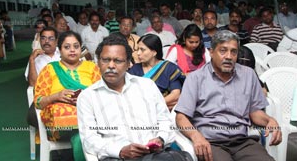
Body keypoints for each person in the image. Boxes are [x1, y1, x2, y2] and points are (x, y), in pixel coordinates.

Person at [175, 30, 282, 161]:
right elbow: (181, 117)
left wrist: (270, 120)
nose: (229, 56)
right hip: (210, 142)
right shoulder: (195, 78)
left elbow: (255, 112)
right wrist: (195, 136)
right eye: (223, 50)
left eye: (233, 52)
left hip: (242, 141)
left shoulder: (248, 75)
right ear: (211, 52)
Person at [77, 35, 175, 160]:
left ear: (129, 63)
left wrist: (160, 139)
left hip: (155, 155)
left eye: (118, 61)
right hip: (116, 157)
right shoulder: (87, 97)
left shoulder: (147, 86)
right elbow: (89, 140)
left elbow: (165, 121)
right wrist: (120, 151)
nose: (111, 65)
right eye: (106, 60)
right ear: (98, 63)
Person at [34, 31, 101, 160]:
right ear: (59, 50)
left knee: (81, 138)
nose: (72, 50)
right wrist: (56, 96)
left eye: (76, 46)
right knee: (81, 139)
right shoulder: (50, 69)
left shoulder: (92, 67)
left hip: (91, 115)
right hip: (61, 124)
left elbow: (102, 94)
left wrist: (84, 99)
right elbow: (38, 101)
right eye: (67, 47)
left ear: (80, 47)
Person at [128, 34, 185, 111]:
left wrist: (154, 105)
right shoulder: (135, 69)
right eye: (137, 49)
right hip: (139, 110)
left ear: (154, 52)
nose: (138, 53)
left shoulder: (169, 68)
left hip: (163, 112)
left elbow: (175, 95)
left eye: (142, 49)